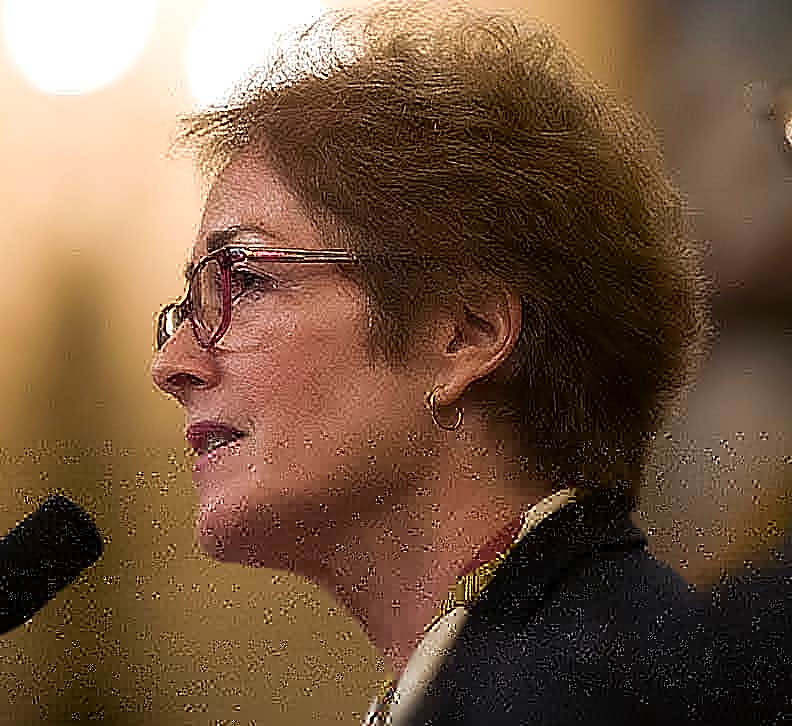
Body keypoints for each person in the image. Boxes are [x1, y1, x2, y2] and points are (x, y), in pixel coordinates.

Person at [151, 3, 712, 724]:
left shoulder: (591, 692)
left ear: (466, 334)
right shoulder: (522, 667)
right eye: (187, 306)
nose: (172, 362)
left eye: (245, 279)